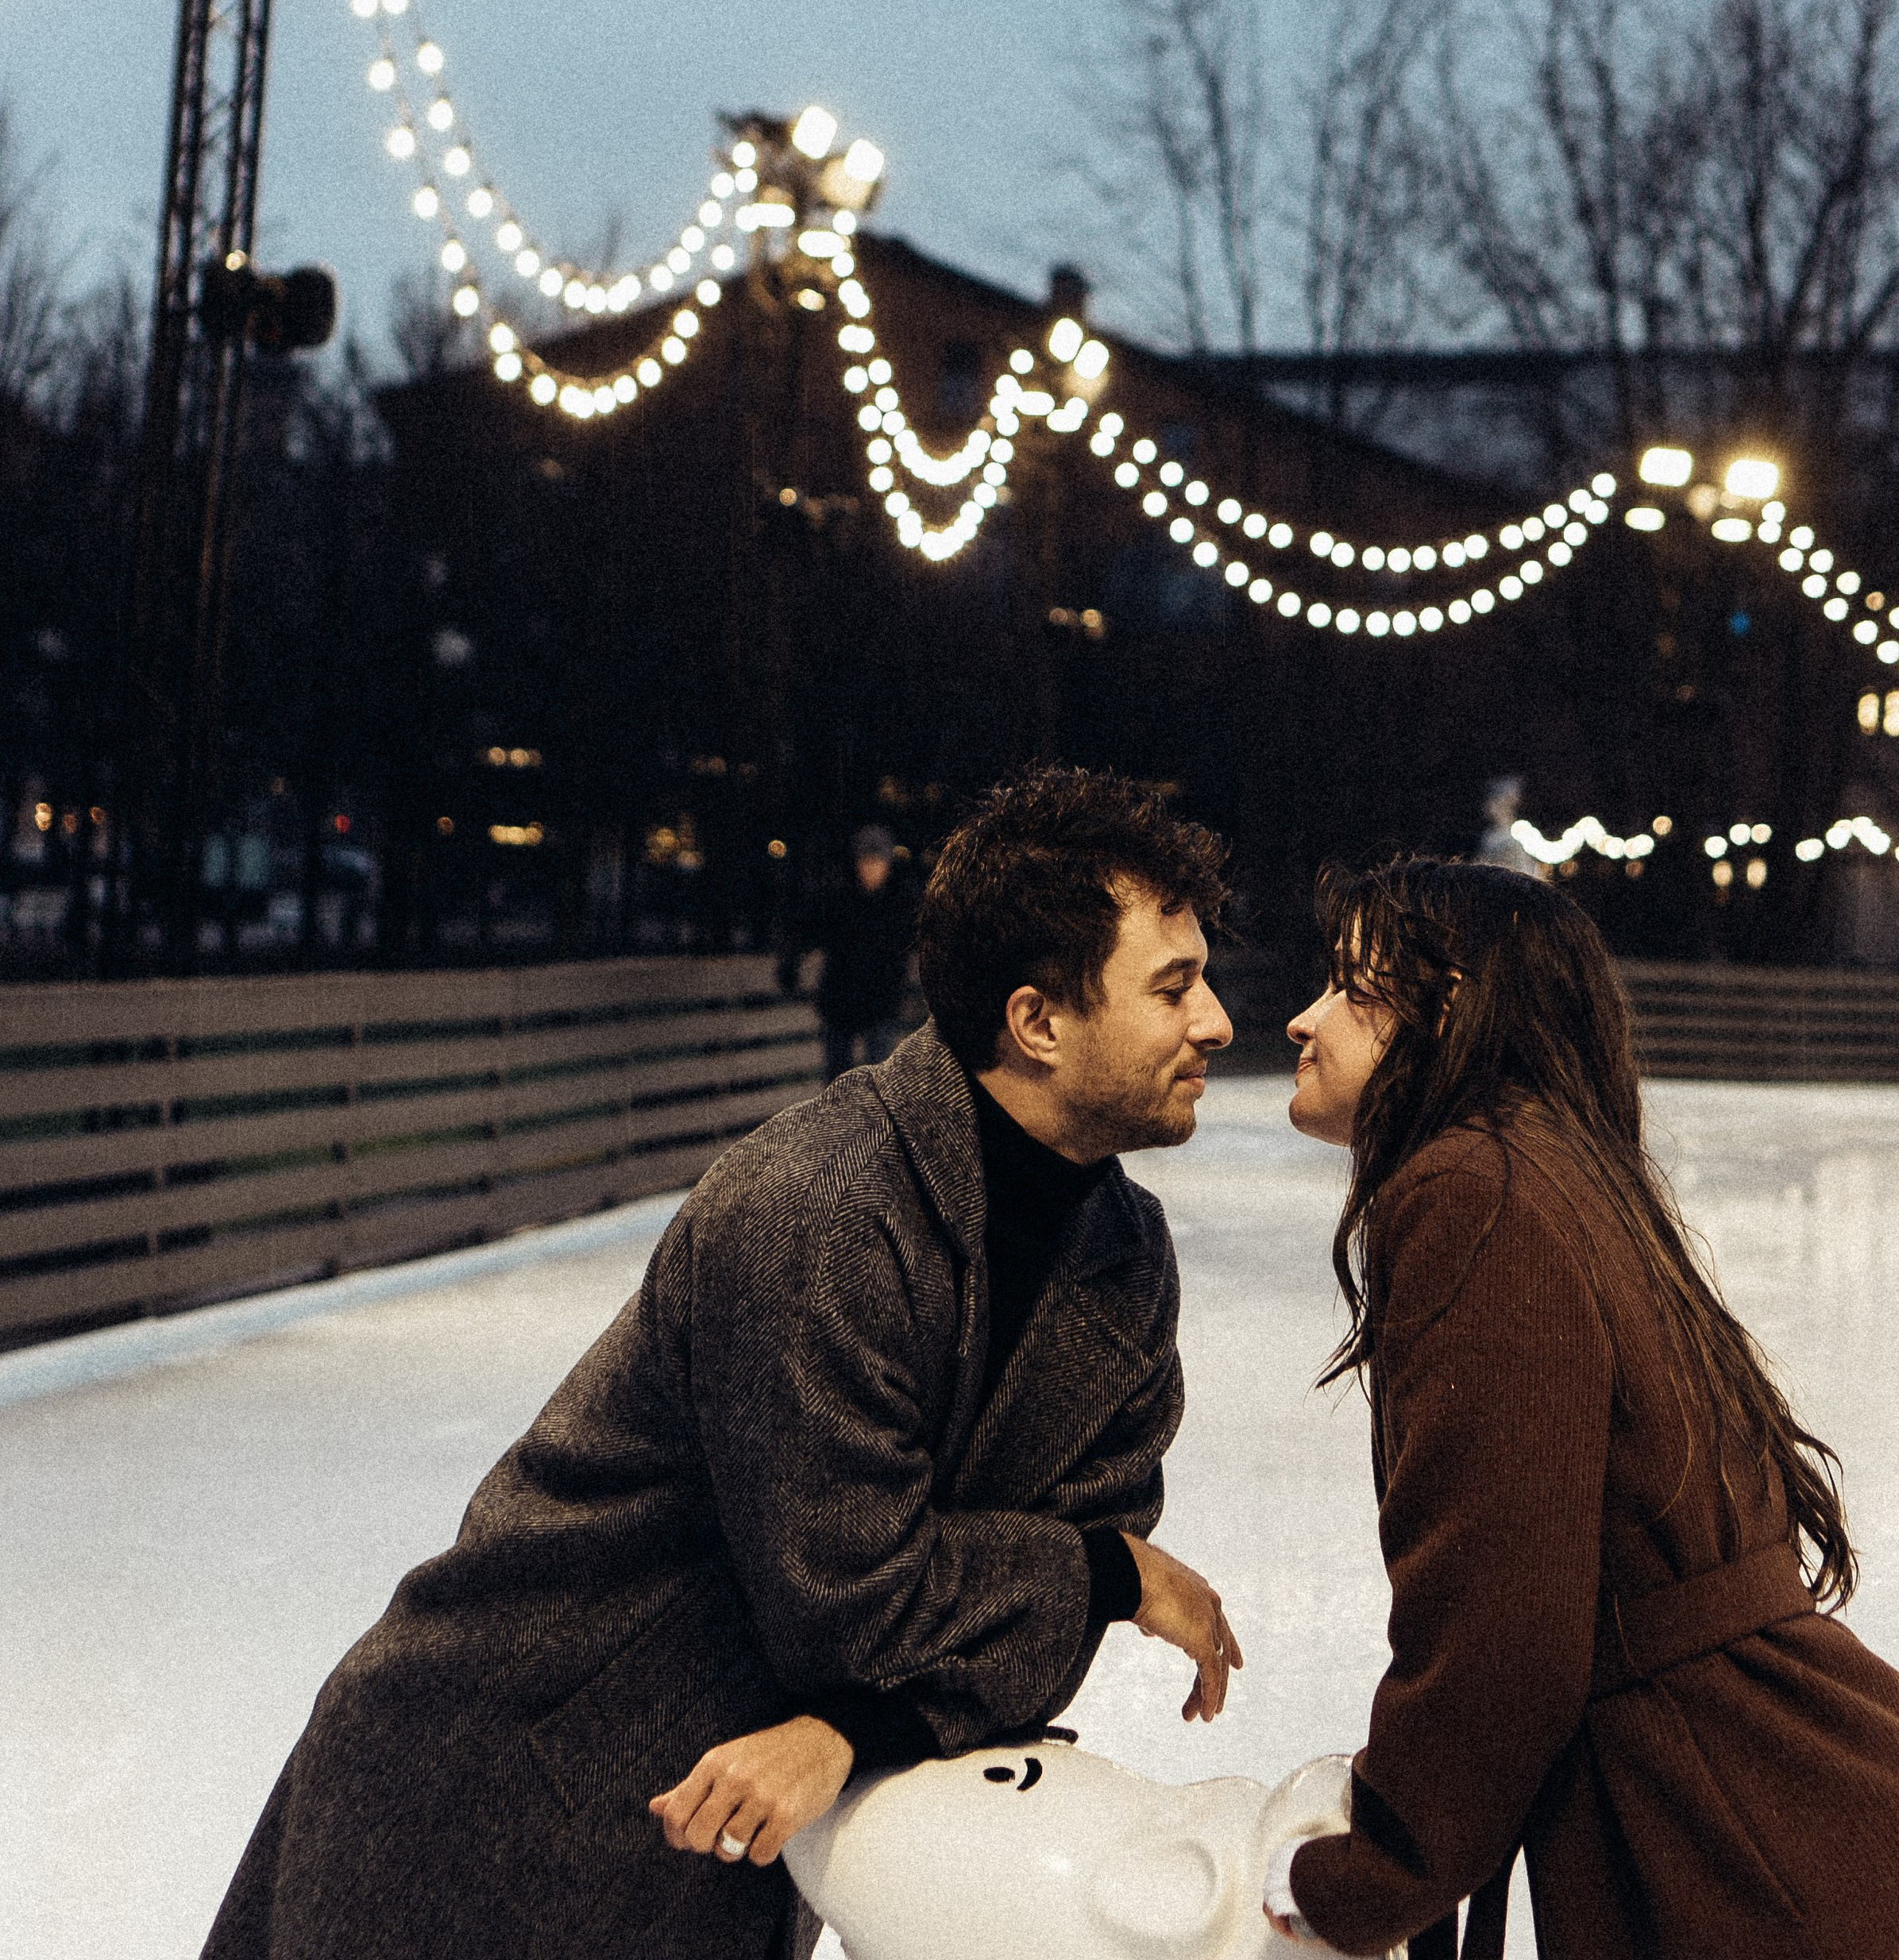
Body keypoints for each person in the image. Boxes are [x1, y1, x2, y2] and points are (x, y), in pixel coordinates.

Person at [202, 764, 1243, 1960]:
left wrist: (866, 1728)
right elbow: (855, 1600)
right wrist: (1106, 1575)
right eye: (1174, 987)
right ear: (1038, 1023)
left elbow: (1035, 1612)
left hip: (729, 1823)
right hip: (494, 1798)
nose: (1217, 1021)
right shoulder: (823, 1208)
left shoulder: (1125, 1260)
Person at [1261, 858, 1899, 1959]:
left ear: (1447, 1009)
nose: (1303, 1019)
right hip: (1810, 1821)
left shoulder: (1471, 1189)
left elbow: (1500, 1620)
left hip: (1755, 1850)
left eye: (1350, 987)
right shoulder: (1550, 1169)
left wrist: (1375, 1874)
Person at [809, 821, 918, 1078]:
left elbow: (903, 953)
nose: (871, 869)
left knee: (879, 1076)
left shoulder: (899, 901)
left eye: (877, 862)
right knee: (837, 1076)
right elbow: (818, 935)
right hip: (841, 1002)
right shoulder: (839, 897)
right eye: (865, 862)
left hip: (881, 1004)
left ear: (888, 865)